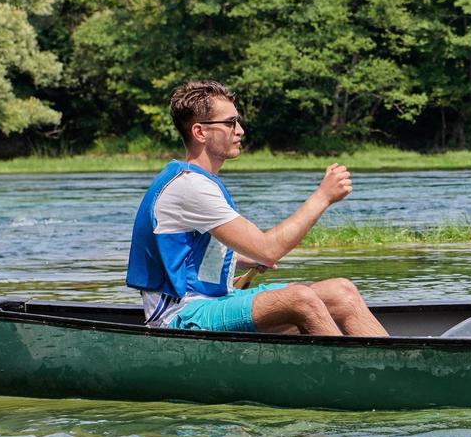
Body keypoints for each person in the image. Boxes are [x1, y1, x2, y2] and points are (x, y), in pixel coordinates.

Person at [126, 79, 389, 337]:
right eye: (230, 123)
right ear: (200, 132)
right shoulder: (190, 186)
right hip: (182, 315)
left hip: (214, 301)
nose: (239, 130)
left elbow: (188, 253)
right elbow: (268, 250)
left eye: (237, 121)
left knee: (341, 292)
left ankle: (392, 370)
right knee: (300, 299)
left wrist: (239, 260)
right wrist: (323, 197)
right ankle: (352, 376)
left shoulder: (198, 181)